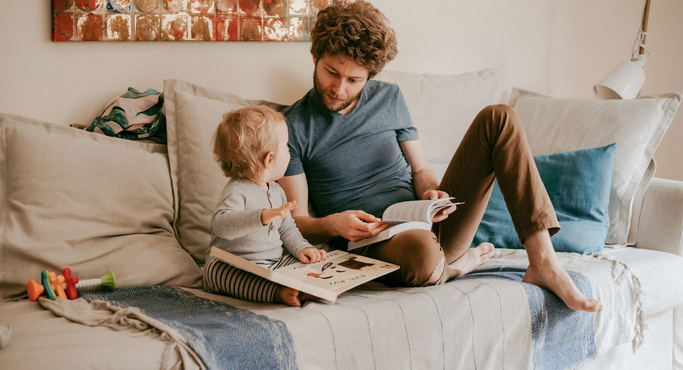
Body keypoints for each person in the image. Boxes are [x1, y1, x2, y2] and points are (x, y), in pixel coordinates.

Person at [278, 0, 602, 312]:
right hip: (376, 245)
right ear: (315, 56)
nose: (339, 88)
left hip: (426, 223)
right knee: (422, 253)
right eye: (331, 72)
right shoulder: (292, 127)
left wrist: (432, 194)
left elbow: (420, 170)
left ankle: (543, 260)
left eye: (354, 80)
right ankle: (454, 268)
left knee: (499, 118)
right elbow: (297, 222)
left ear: (370, 75)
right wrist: (333, 225)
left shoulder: (389, 97)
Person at [204, 106, 328, 307]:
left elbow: (288, 228)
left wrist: (302, 249)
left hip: (273, 263)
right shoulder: (237, 190)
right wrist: (260, 216)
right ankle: (276, 292)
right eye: (287, 146)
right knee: (215, 272)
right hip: (235, 264)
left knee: (313, 265)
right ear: (270, 159)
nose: (290, 151)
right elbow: (220, 225)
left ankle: (314, 286)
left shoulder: (277, 190)